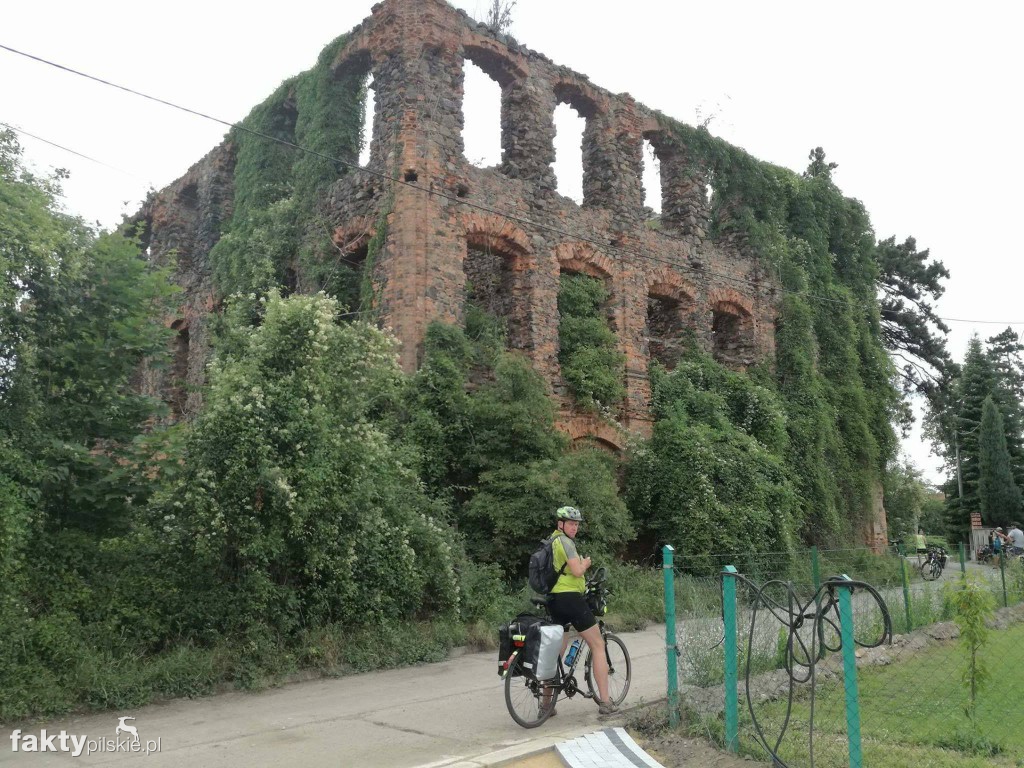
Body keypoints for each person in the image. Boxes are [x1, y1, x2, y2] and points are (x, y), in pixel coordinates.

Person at [545, 505, 618, 716]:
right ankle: (605, 702)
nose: (574, 528)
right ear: (561, 524)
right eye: (571, 523)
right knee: (597, 644)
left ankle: (546, 705)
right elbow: (576, 570)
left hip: (553, 599)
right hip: (570, 599)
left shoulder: (551, 541)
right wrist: (585, 564)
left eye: (576, 524)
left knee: (556, 650)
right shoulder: (565, 542)